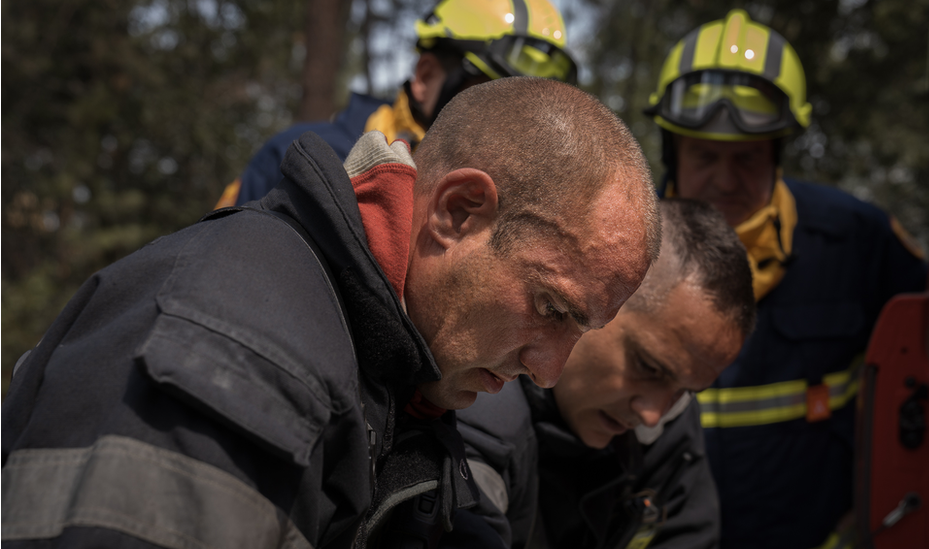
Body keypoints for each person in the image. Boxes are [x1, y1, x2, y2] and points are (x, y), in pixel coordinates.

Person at [0, 77, 659, 549]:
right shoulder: (232, 350)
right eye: (550, 306)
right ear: (456, 212)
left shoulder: (398, 370)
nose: (549, 369)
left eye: (581, 330)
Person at [642, 10, 929, 549]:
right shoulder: (623, 251)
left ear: (777, 153)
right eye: (705, 155)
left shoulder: (854, 240)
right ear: (670, 148)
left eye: (747, 158)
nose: (725, 179)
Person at [440, 199, 756, 549]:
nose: (652, 414)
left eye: (685, 390)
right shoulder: (471, 409)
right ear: (596, 299)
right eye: (648, 368)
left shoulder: (670, 427)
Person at [215, 0, 578, 208]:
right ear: (424, 77)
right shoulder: (300, 161)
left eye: (522, 109)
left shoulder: (511, 205)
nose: (506, 123)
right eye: (486, 95)